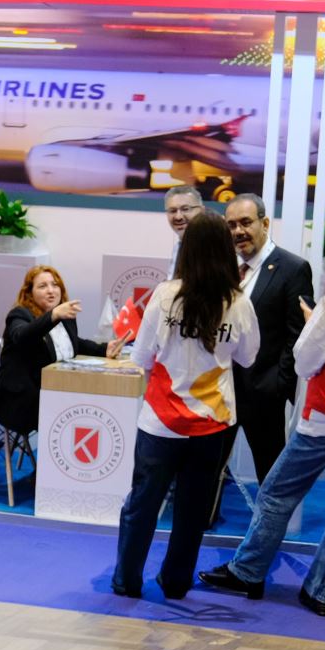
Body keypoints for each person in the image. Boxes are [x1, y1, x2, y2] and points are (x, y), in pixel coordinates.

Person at [199, 223, 325, 615]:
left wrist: (312, 323)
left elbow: (304, 362)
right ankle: (321, 592)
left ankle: (247, 572)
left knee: (275, 494)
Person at [113, 214, 259, 599]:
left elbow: (142, 357)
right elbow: (248, 357)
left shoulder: (165, 296)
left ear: (186, 249)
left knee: (143, 504)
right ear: (226, 250)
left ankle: (127, 580)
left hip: (161, 421)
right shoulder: (239, 303)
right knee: (193, 511)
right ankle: (176, 582)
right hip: (212, 424)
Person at [218, 194, 313, 488]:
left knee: (271, 482)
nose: (238, 231)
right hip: (218, 392)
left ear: (265, 223)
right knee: (207, 476)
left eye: (246, 223)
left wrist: (278, 385)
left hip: (264, 396)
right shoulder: (220, 267)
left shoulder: (293, 268)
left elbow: (298, 335)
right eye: (231, 225)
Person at [0, 266, 126, 438]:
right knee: (77, 414)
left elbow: (73, 343)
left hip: (55, 389)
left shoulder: (64, 315)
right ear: (29, 293)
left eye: (55, 285)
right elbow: (22, 336)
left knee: (92, 406)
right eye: (42, 286)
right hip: (21, 398)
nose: (51, 290)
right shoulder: (19, 314)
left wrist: (104, 349)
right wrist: (53, 315)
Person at [163, 185, 203, 276]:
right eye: (172, 211)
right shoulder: (178, 247)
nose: (178, 217)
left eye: (185, 209)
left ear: (201, 211)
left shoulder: (212, 248)